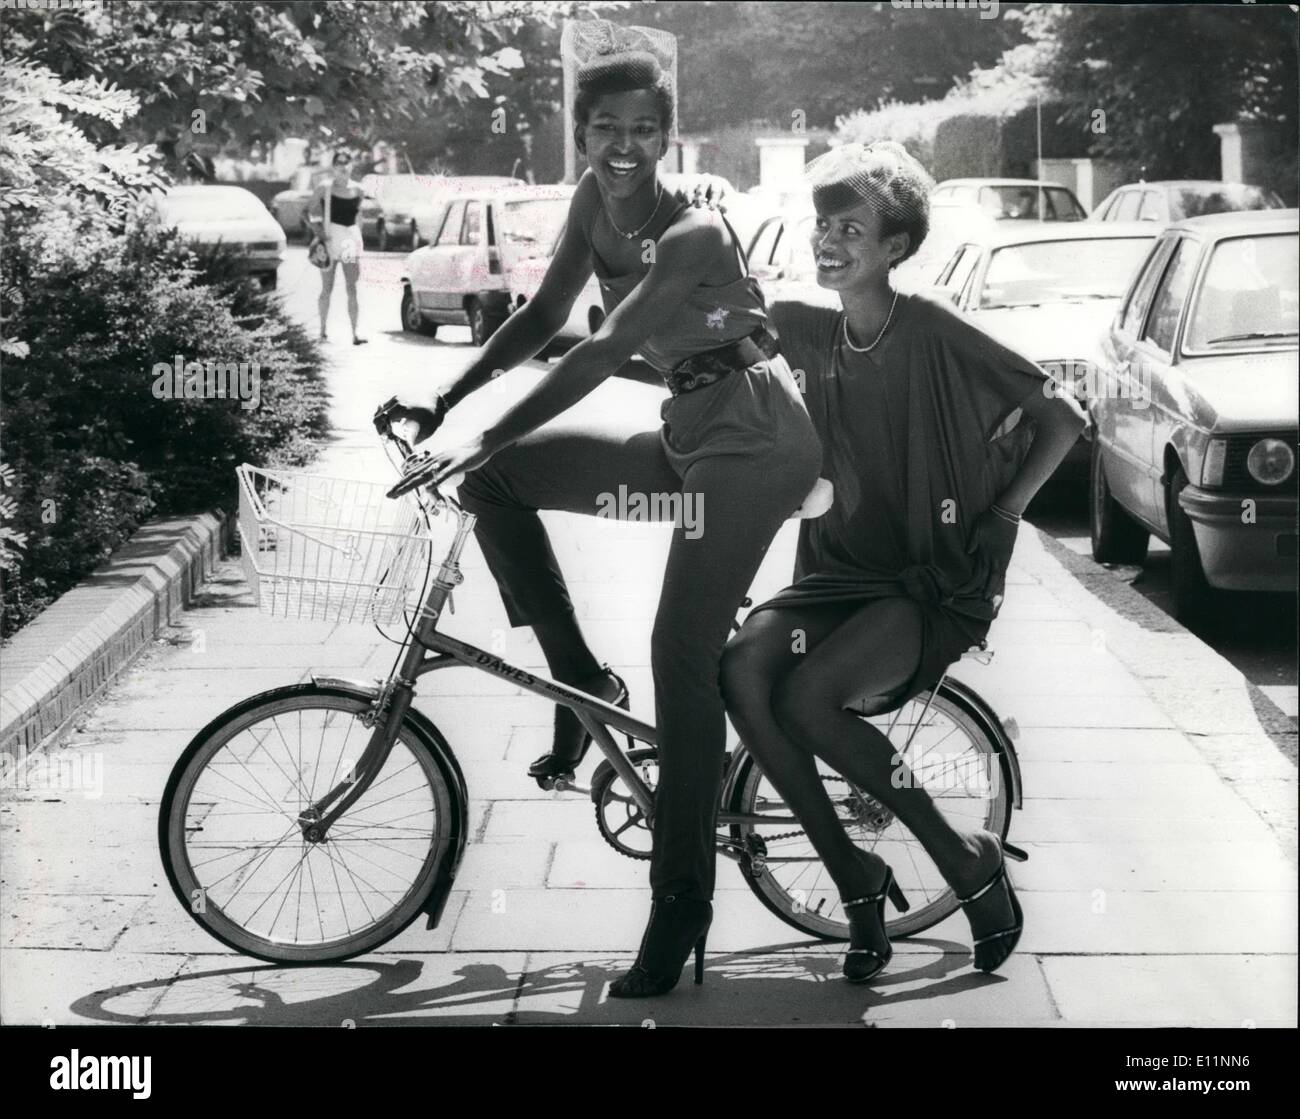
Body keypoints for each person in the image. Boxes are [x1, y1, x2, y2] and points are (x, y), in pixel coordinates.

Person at [386, 23, 821, 998]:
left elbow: (596, 350)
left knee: (682, 652)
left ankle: (681, 911)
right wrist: (446, 403)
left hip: (753, 441)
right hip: (688, 435)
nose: (621, 148)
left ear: (668, 138)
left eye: (642, 131)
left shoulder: (693, 231)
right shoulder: (592, 201)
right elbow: (543, 319)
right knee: (494, 485)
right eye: (602, 130)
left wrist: (486, 428)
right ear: (580, 136)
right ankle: (583, 685)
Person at [720, 142, 1086, 984]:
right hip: (833, 573)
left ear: (895, 247)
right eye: (823, 224)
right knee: (741, 668)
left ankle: (965, 859)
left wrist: (1002, 510)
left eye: (853, 228)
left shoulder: (928, 326)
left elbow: (1063, 415)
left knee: (809, 697)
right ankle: (855, 874)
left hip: (923, 579)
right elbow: (704, 350)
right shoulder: (802, 323)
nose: (830, 240)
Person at [308, 150, 368, 345]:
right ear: (334, 166)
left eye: (346, 162)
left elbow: (359, 216)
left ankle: (355, 333)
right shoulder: (324, 188)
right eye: (339, 163)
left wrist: (358, 237)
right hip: (330, 240)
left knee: (352, 287)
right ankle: (322, 332)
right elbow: (307, 213)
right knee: (327, 288)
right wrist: (319, 233)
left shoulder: (358, 190)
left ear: (352, 165)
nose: (343, 166)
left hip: (350, 241)